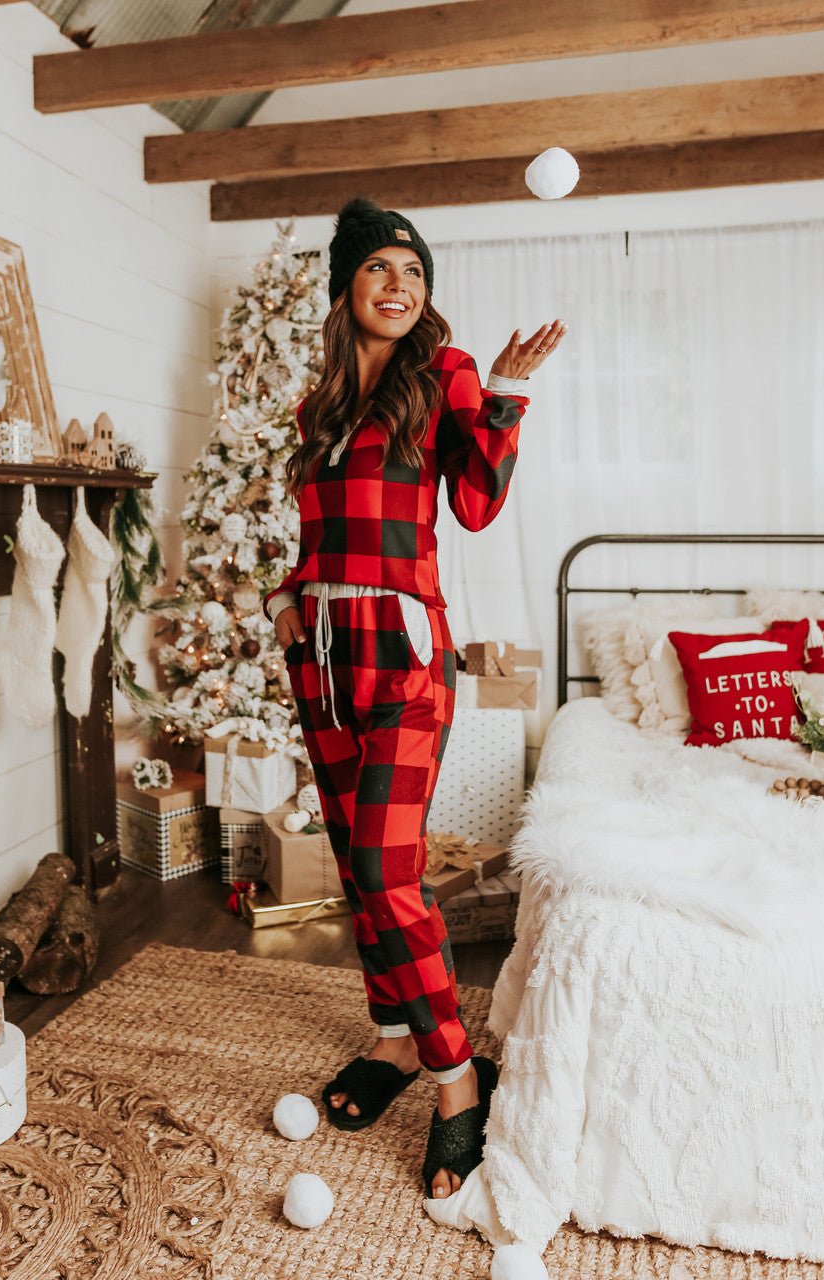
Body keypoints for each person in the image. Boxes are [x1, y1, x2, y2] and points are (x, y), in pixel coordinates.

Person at [263, 198, 566, 1201]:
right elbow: (313, 539)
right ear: (348, 285)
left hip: (402, 654)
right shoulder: (319, 407)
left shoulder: (444, 374)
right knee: (359, 874)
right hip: (324, 657)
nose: (399, 285)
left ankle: (452, 1078)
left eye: (414, 271)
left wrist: (508, 393)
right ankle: (393, 1041)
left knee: (391, 878)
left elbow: (477, 503)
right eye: (380, 269)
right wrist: (283, 599)